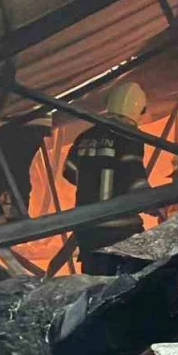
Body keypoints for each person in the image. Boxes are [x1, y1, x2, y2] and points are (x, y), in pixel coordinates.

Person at [62, 82, 153, 275]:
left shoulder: (86, 136)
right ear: (138, 110)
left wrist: (92, 184)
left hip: (88, 232)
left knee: (96, 286)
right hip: (121, 232)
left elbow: (69, 172)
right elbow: (134, 179)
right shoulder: (129, 137)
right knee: (139, 281)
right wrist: (155, 204)